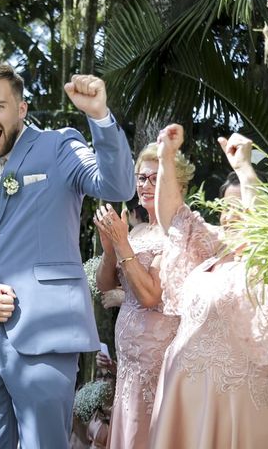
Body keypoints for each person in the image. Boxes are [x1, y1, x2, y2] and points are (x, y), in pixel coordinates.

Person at [0, 62, 135, 448]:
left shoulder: (59, 146)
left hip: (45, 334)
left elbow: (116, 186)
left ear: (21, 109)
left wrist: (99, 116)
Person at [149, 125, 268, 448]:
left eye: (240, 208)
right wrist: (166, 159)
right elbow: (174, 217)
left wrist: (245, 168)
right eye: (225, 209)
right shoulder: (212, 249)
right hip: (185, 399)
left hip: (239, 407)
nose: (230, 217)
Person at [93, 142, 194, 448]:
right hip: (129, 360)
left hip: (157, 358)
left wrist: (121, 243)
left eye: (155, 178)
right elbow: (106, 283)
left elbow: (150, 296)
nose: (146, 185)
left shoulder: (180, 230)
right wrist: (110, 248)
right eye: (141, 177)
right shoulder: (137, 232)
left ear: (178, 184)